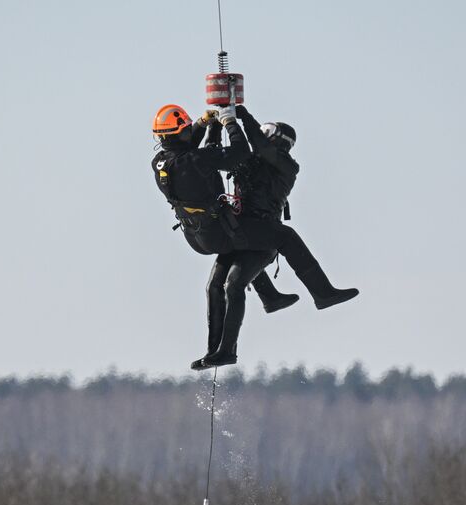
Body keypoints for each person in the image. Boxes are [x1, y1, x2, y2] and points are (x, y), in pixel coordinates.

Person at [151, 103, 356, 369]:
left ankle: (322, 293)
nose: (261, 133)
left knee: (252, 267)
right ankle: (219, 348)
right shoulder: (247, 161)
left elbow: (253, 148)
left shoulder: (285, 164)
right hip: (240, 231)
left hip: (261, 235)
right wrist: (214, 125)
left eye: (267, 131)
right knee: (215, 284)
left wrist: (238, 118)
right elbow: (215, 158)